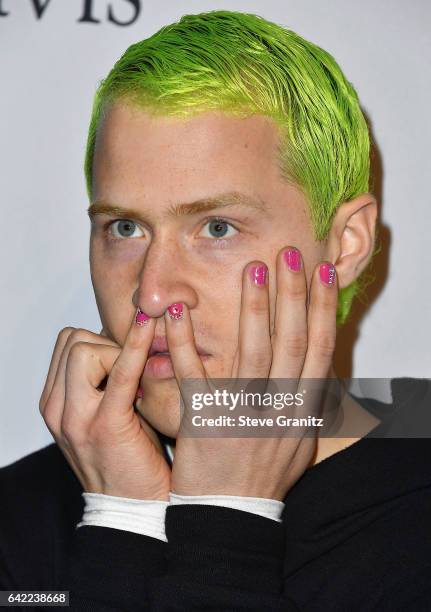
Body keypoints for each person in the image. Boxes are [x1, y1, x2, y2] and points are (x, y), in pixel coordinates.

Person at [1, 10, 430, 611]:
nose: (151, 294)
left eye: (218, 227)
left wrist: (229, 522)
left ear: (346, 244)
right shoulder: (18, 518)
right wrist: (122, 523)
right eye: (124, 227)